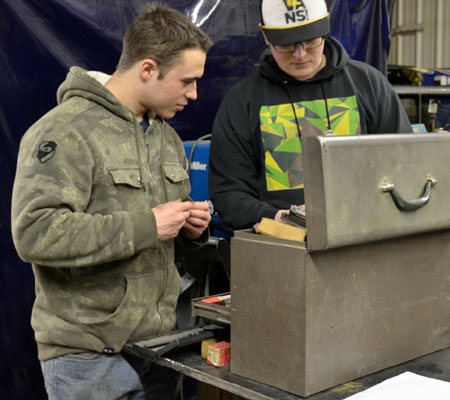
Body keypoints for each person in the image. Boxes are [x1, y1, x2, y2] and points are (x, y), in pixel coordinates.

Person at [11, 3, 212, 399]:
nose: (194, 93)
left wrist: (189, 230)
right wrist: (148, 225)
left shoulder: (167, 138)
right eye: (187, 81)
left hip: (159, 349)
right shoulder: (64, 131)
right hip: (90, 359)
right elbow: (35, 233)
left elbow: (164, 236)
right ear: (148, 68)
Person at [208, 0, 413, 230]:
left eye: (310, 41)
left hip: (364, 234)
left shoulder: (369, 85)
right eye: (286, 45)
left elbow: (405, 165)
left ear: (326, 25)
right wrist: (282, 219)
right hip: (283, 247)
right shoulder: (242, 101)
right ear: (265, 36)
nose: (300, 54)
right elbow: (228, 194)